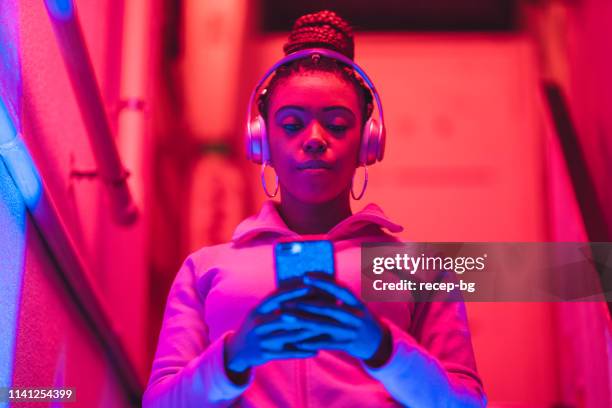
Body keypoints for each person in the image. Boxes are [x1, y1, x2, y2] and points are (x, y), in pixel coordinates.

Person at [143, 10, 487, 407]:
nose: (315, 139)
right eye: (292, 124)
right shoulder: (204, 269)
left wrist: (382, 349)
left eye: (338, 124)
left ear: (368, 144)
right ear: (262, 143)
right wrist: (233, 357)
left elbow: (467, 403)